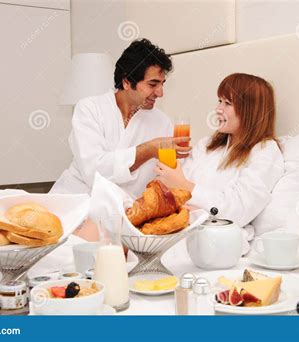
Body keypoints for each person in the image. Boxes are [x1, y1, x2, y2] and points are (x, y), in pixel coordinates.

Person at [154, 73, 285, 254]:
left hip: (217, 241)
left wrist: (186, 187)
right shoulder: (207, 145)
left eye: (227, 103)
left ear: (250, 110)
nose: (217, 109)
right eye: (219, 101)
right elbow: (173, 194)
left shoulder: (265, 151)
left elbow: (238, 210)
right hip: (179, 226)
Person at [50, 38, 191, 198]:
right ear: (126, 82)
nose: (160, 93)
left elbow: (171, 175)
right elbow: (94, 172)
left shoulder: (162, 122)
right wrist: (149, 150)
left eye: (162, 84)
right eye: (152, 84)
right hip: (76, 201)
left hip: (125, 212)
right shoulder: (90, 109)